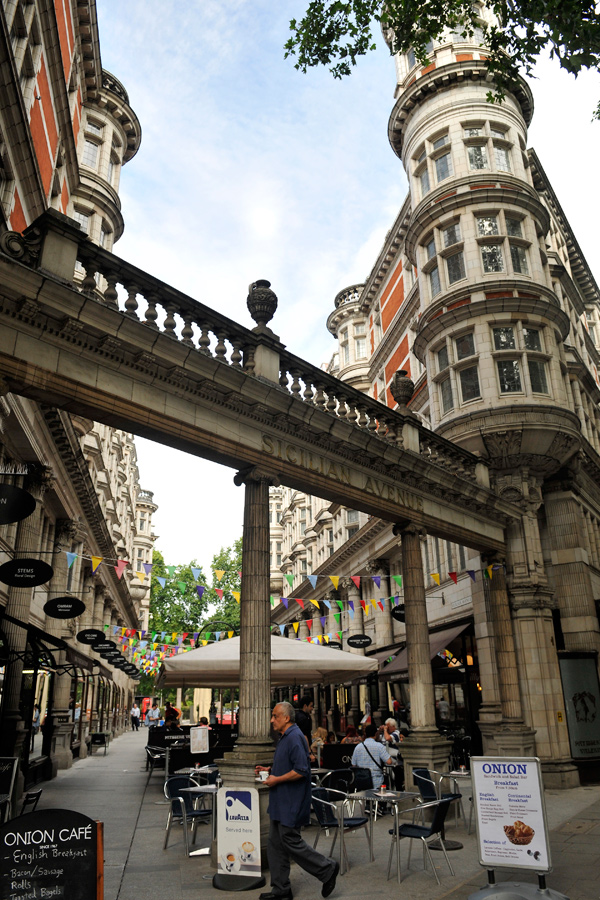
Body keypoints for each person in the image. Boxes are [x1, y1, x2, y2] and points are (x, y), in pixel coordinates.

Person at [256, 702, 339, 900]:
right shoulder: (287, 737)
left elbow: (301, 770)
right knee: (275, 845)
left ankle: (326, 868)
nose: (272, 720)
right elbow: (290, 765)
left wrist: (276, 779)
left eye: (275, 716)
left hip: (290, 801)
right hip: (280, 801)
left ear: (286, 718)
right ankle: (281, 889)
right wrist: (270, 770)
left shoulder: (293, 737)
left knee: (290, 841)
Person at [351, 723, 392, 790]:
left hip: (361, 782)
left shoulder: (357, 747)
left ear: (365, 734)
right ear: (375, 733)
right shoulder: (379, 746)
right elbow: (389, 761)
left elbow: (353, 765)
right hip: (376, 782)